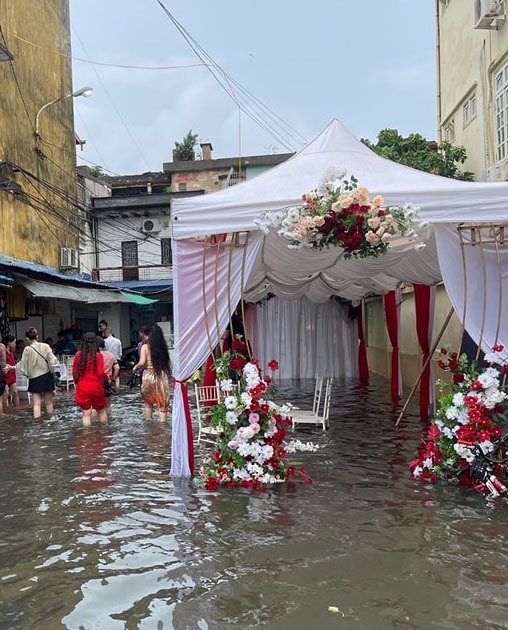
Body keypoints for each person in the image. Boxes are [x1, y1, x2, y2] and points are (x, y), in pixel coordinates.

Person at [8, 327, 59, 419]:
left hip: (35, 378)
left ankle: (37, 424)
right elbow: (54, 361)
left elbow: (22, 364)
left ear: (27, 339)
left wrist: (12, 367)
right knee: (49, 402)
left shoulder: (27, 349)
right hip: (47, 377)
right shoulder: (46, 346)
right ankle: (51, 422)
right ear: (37, 336)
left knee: (36, 404)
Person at [132, 323, 171, 422]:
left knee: (148, 403)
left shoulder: (145, 347)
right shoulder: (163, 348)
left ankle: (149, 426)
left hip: (148, 376)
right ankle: (163, 427)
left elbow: (142, 362)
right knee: (162, 404)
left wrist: (135, 367)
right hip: (161, 375)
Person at [72, 332, 108, 426]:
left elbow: (74, 372)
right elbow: (100, 373)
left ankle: (87, 436)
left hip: (83, 387)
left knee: (86, 414)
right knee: (101, 411)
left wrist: (77, 383)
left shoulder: (78, 355)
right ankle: (104, 433)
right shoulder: (99, 356)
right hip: (96, 388)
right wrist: (107, 376)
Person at [97, 336, 120, 416]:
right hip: (107, 381)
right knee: (107, 405)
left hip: (96, 382)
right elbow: (117, 368)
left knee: (95, 406)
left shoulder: (94, 355)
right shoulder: (111, 355)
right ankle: (108, 422)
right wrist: (113, 377)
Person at [4, 335, 19, 408]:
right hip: (5, 376)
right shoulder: (3, 352)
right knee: (5, 394)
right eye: (14, 342)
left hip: (12, 376)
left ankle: (17, 408)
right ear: (9, 343)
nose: (15, 344)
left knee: (15, 393)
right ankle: (4, 410)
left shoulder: (11, 352)